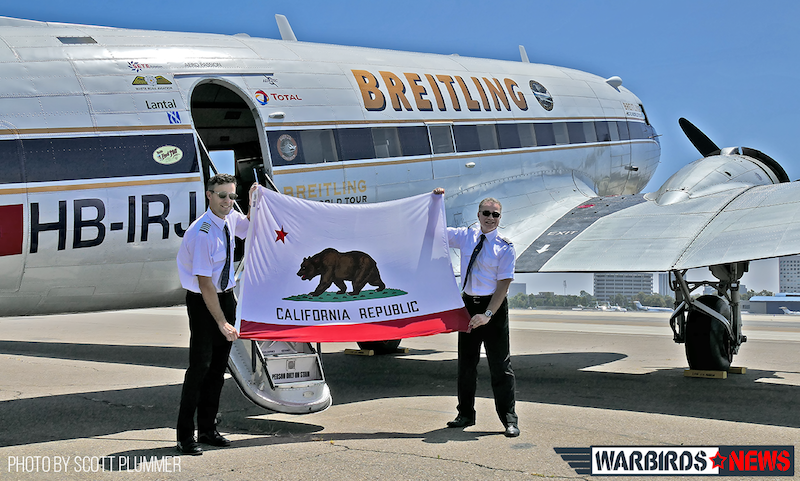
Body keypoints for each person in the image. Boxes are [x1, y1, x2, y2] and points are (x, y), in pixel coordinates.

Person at [175, 174, 255, 455]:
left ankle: (207, 429)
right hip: (203, 302)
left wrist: (255, 201)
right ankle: (185, 436)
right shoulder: (203, 232)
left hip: (226, 296)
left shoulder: (231, 218)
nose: (227, 201)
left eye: (232, 196)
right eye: (222, 196)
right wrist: (221, 322)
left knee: (218, 371)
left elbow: (248, 227)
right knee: (200, 368)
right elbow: (204, 283)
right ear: (208, 195)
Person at [433, 187, 519, 437]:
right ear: (478, 214)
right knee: (466, 365)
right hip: (469, 306)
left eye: (496, 215)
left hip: (493, 309)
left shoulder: (505, 247)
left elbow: (503, 285)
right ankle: (465, 414)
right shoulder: (466, 237)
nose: (491, 218)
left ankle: (509, 420)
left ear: (500, 218)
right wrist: (436, 201)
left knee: (500, 367)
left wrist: (488, 315)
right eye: (486, 213)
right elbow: (437, 232)